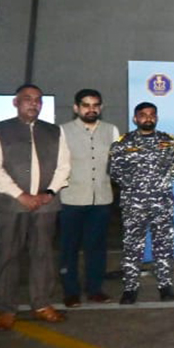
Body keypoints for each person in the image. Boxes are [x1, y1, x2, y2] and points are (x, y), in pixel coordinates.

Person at [0, 84, 71, 328]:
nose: (34, 103)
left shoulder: (54, 132)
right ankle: (6, 309)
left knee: (43, 256)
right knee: (8, 256)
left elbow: (64, 167)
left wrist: (49, 193)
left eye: (38, 100)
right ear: (16, 103)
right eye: (27, 99)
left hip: (46, 206)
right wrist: (21, 195)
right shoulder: (1, 130)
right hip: (11, 205)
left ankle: (41, 304)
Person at [109, 102, 174, 305]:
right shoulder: (123, 143)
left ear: (156, 118)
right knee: (132, 246)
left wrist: (156, 186)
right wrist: (136, 187)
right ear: (135, 119)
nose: (147, 118)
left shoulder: (168, 142)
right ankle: (130, 288)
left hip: (162, 203)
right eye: (143, 115)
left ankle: (165, 285)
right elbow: (115, 171)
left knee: (164, 246)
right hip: (134, 204)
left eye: (151, 115)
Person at [58, 89, 118, 308]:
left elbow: (116, 164)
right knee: (69, 248)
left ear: (100, 108)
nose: (91, 109)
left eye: (95, 105)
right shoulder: (63, 131)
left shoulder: (111, 130)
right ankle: (71, 291)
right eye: (86, 105)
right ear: (76, 108)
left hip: (101, 199)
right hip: (72, 198)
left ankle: (95, 289)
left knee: (97, 247)